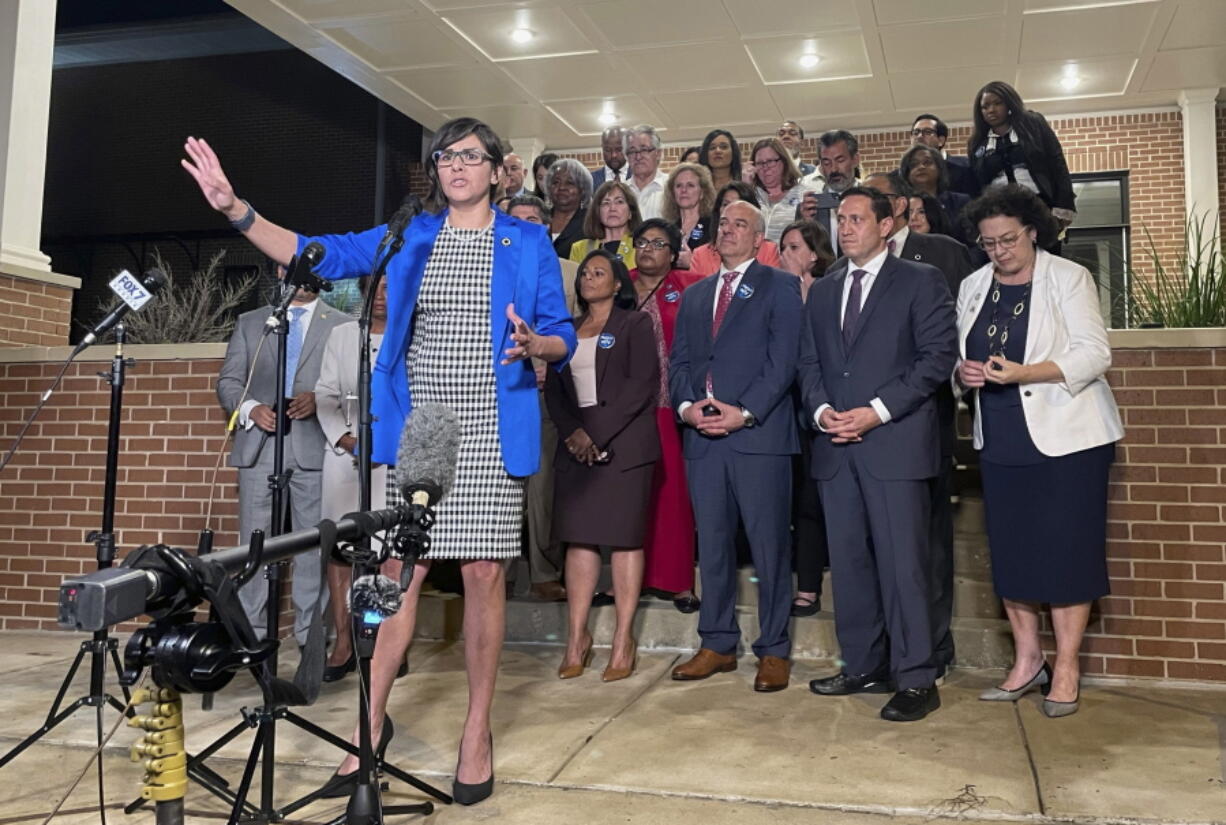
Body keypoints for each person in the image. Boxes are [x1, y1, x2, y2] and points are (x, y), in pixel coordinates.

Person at [182, 117, 577, 806]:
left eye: (470, 156)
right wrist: (234, 208)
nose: (456, 165)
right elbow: (316, 254)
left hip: (492, 423)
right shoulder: (409, 236)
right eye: (446, 155)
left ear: (495, 170)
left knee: (484, 573)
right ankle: (367, 729)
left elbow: (562, 334)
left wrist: (538, 345)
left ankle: (476, 730)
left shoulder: (530, 239)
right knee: (400, 572)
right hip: (424, 424)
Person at [956, 184, 1121, 718]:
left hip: (1068, 437)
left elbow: (1096, 354)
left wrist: (1027, 372)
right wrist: (964, 373)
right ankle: (1028, 661)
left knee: (1067, 552)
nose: (998, 251)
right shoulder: (974, 285)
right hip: (1000, 434)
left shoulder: (1069, 277)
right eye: (988, 243)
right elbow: (963, 357)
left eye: (1007, 240)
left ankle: (1067, 666)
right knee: (1013, 553)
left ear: (1031, 232)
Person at [800, 186, 957, 723]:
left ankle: (916, 677)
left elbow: (937, 358)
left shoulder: (920, 281)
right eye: (840, 219)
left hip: (894, 444)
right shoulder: (823, 289)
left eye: (857, 219)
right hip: (836, 447)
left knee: (904, 567)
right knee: (848, 567)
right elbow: (809, 364)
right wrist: (822, 414)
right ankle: (864, 664)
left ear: (886, 225)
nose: (844, 228)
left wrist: (876, 411)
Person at [668, 200, 803, 694]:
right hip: (703, 441)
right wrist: (687, 409)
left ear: (759, 238)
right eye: (722, 223)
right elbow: (680, 363)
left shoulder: (780, 285)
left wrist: (743, 411)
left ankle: (774, 649)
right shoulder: (697, 294)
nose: (727, 230)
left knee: (769, 548)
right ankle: (718, 642)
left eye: (739, 224)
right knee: (714, 546)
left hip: (758, 437)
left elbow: (783, 361)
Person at [863, 170, 974, 680]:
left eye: (878, 200)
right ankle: (885, 646)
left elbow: (952, 337)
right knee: (879, 545)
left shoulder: (944, 253)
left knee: (926, 542)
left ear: (900, 207)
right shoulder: (851, 264)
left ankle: (932, 644)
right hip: (862, 427)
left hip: (924, 418)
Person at [216, 267, 351, 650]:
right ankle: (250, 641)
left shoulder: (342, 325)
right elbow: (228, 382)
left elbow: (356, 384)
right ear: (280, 272)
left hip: (316, 449)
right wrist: (252, 409)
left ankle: (311, 641)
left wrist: (322, 398)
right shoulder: (251, 322)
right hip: (260, 448)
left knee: (313, 548)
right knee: (253, 547)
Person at [546, 250, 660, 682]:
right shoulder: (567, 331)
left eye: (600, 273)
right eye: (586, 272)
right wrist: (575, 431)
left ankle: (623, 640)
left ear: (617, 284)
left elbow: (642, 385)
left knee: (625, 541)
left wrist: (596, 433)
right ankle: (577, 639)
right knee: (579, 541)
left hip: (624, 447)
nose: (590, 278)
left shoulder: (635, 325)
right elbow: (555, 392)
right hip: (575, 446)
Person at [314, 276, 389, 683]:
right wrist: (347, 440)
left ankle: (379, 641)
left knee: (383, 553)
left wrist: (384, 445)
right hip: (344, 456)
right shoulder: (343, 335)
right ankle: (343, 641)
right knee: (341, 550)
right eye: (375, 287)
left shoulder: (412, 334)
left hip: (391, 459)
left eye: (391, 288)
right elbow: (325, 392)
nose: (381, 296)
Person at [629, 218, 704, 613]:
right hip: (626, 408)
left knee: (673, 493)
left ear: (673, 253)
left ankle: (678, 582)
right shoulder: (618, 284)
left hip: (672, 405)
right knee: (630, 498)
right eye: (642, 242)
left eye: (658, 243)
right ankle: (631, 580)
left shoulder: (689, 286)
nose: (648, 249)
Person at [508, 195, 573, 603]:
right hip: (499, 393)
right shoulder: (489, 268)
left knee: (544, 487)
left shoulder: (570, 273)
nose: (526, 227)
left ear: (547, 228)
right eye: (517, 221)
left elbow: (578, 334)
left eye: (534, 220)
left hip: (552, 394)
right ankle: (498, 572)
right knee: (501, 488)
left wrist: (548, 353)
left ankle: (544, 571)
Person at [776, 219, 834, 618]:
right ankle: (794, 583)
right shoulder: (773, 294)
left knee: (815, 501)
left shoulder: (831, 294)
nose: (785, 255)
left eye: (794, 247)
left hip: (824, 409)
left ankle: (810, 586)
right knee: (791, 502)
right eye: (782, 247)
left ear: (814, 253)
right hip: (782, 410)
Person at [967, 81, 1076, 235]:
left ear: (1009, 103)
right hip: (998, 210)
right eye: (985, 107)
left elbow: (1057, 163)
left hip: (1039, 204)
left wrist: (1064, 206)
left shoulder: (1033, 123)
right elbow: (977, 185)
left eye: (997, 103)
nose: (991, 110)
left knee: (1044, 254)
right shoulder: (977, 143)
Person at [689, 182, 781, 275]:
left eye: (738, 203)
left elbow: (772, 287)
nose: (731, 208)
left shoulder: (768, 251)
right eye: (725, 204)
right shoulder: (700, 255)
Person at [899, 144, 971, 242]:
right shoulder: (900, 205)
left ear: (939, 168)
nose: (921, 167)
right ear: (907, 173)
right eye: (914, 164)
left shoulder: (960, 202)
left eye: (927, 162)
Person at [750, 137, 815, 243]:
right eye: (760, 163)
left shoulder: (803, 194)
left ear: (784, 162)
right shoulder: (750, 195)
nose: (765, 167)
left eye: (770, 161)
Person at [568, 179, 642, 269]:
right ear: (598, 212)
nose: (612, 208)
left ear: (631, 212)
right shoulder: (579, 249)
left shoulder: (641, 246)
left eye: (619, 202)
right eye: (606, 203)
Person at [659, 162, 716, 270]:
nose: (683, 190)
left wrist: (693, 263)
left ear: (702, 193)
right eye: (678, 186)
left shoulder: (714, 226)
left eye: (690, 185)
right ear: (672, 193)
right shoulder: (667, 228)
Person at [910, 113, 979, 197]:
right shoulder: (902, 174)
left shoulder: (966, 166)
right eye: (916, 132)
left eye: (927, 132)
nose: (919, 136)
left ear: (941, 140)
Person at [547, 157, 594, 259]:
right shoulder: (540, 218)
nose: (562, 187)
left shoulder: (591, 222)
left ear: (583, 189)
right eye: (556, 182)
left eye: (570, 183)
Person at [624, 124, 668, 220]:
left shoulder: (671, 187)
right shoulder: (621, 192)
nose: (638, 157)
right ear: (627, 157)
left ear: (658, 154)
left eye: (644, 150)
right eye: (632, 151)